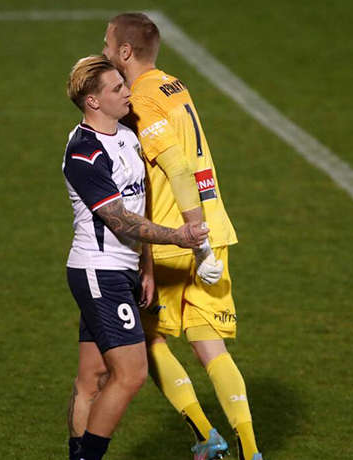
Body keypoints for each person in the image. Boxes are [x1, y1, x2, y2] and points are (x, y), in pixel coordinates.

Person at [102, 13, 263, 460]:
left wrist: (190, 240)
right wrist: (209, 238)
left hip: (179, 235)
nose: (103, 51)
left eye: (107, 44)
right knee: (209, 347)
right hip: (216, 225)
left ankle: (206, 436)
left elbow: (174, 167)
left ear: (125, 52)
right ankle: (251, 452)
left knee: (147, 342)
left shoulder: (141, 100)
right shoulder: (175, 84)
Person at [62, 55, 210, 460]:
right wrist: (178, 237)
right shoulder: (84, 154)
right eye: (117, 89)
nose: (128, 92)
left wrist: (146, 267)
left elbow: (139, 205)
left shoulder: (127, 135)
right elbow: (121, 221)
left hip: (123, 271)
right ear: (93, 101)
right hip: (98, 272)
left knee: (92, 376)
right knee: (131, 375)